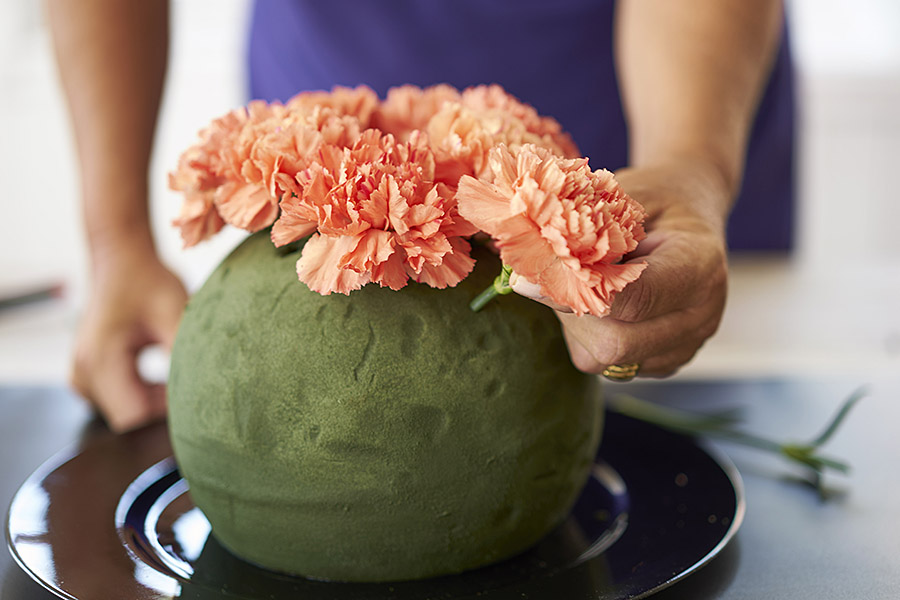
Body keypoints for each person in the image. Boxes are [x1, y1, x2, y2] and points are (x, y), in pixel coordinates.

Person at [47, 0, 790, 432]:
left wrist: (688, 162)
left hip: (658, 132)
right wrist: (117, 239)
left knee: (684, 399)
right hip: (326, 134)